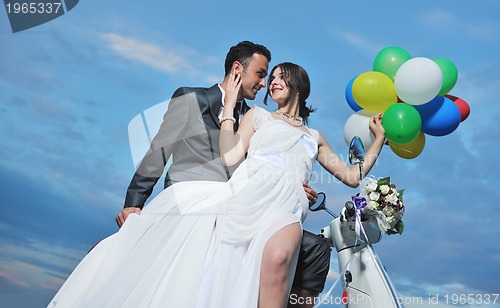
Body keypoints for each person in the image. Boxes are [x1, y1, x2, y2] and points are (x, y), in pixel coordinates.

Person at [47, 61, 385, 308]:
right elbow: (229, 156)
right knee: (226, 269)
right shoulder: (258, 117)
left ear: (298, 83)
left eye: (279, 77)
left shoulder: (314, 136)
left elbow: (353, 175)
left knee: (279, 258)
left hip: (286, 204)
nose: (271, 83)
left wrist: (378, 140)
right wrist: (227, 111)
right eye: (270, 79)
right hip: (247, 195)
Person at [115, 40, 330, 306]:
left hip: (243, 207)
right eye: (261, 74)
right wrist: (133, 204)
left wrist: (297, 188)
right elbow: (158, 152)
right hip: (195, 203)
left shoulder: (259, 120)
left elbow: (268, 168)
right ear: (238, 70)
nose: (264, 84)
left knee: (316, 248)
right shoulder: (193, 99)